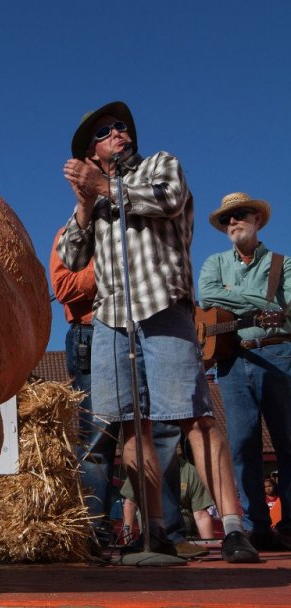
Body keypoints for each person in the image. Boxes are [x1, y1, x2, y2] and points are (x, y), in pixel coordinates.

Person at [56, 101, 258, 563]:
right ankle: (157, 530)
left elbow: (167, 199)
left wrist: (105, 186)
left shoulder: (160, 164)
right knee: (130, 422)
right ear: (92, 153)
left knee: (194, 415)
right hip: (111, 319)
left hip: (163, 306)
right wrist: (87, 202)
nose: (118, 133)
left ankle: (232, 527)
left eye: (120, 127)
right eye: (105, 132)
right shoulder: (94, 198)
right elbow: (69, 256)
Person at [50, 229, 193, 555]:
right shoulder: (70, 233)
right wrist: (110, 269)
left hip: (143, 331)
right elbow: (63, 288)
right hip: (91, 333)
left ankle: (167, 533)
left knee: (158, 430)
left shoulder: (136, 228)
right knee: (97, 437)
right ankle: (95, 535)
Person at [198, 191, 291, 551]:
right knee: (242, 447)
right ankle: (259, 528)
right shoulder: (213, 264)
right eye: (227, 219)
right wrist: (262, 303)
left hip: (278, 353)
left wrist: (231, 294)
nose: (232, 222)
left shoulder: (284, 264)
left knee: (287, 442)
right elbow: (206, 296)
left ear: (257, 220)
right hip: (232, 360)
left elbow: (289, 306)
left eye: (240, 215)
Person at [121, 454, 216, 540]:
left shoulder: (191, 472)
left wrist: (209, 546)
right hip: (151, 541)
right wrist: (127, 539)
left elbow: (201, 515)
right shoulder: (141, 470)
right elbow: (130, 505)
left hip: (186, 540)